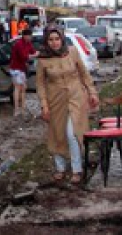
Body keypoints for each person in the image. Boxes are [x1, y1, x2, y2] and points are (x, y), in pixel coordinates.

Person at [36, 27, 99, 184]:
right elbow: (40, 85)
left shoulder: (72, 52)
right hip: (55, 100)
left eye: (57, 39)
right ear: (46, 41)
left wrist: (92, 92)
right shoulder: (43, 59)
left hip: (76, 97)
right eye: (50, 40)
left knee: (73, 133)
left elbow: (84, 73)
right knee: (58, 133)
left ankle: (77, 169)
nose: (54, 43)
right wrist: (44, 105)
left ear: (62, 39)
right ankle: (60, 168)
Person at [9, 29, 38, 117]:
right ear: (25, 36)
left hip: (22, 69)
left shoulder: (28, 43)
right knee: (18, 88)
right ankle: (17, 109)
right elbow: (24, 57)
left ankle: (22, 109)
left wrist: (36, 53)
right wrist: (34, 55)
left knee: (23, 88)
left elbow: (33, 51)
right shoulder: (19, 44)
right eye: (30, 36)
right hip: (16, 69)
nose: (31, 37)